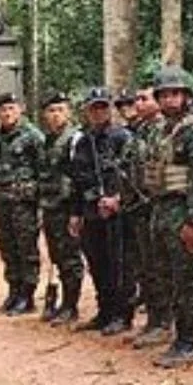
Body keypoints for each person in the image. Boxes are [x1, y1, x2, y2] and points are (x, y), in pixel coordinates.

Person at [137, 67, 193, 368]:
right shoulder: (160, 131)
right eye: (164, 95)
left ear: (186, 96)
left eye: (175, 94)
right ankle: (177, 335)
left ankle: (191, 341)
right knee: (166, 276)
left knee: (188, 280)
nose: (170, 100)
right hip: (161, 209)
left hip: (184, 212)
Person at [68, 87, 134, 336]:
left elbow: (133, 174)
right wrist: (75, 213)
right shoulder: (83, 142)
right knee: (97, 264)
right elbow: (76, 180)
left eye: (102, 107)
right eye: (93, 108)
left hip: (116, 212)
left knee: (118, 264)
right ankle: (104, 311)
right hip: (90, 210)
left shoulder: (122, 137)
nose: (98, 112)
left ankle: (121, 314)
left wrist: (117, 198)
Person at [0, 91, 45, 315]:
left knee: (26, 249)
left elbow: (43, 170)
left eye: (11, 108)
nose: (7, 113)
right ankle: (14, 291)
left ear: (20, 109)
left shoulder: (32, 136)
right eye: (3, 110)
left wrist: (41, 199)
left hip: (24, 204)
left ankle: (27, 296)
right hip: (2, 204)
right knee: (8, 249)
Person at [36, 93, 84, 325]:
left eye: (60, 110)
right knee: (56, 256)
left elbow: (77, 176)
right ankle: (60, 302)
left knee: (70, 258)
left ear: (68, 112)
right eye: (51, 111)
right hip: (50, 206)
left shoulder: (75, 139)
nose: (55, 115)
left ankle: (71, 306)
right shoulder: (47, 140)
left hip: (67, 207)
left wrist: (76, 211)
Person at [118, 85, 159, 324]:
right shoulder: (139, 132)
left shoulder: (164, 131)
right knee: (145, 268)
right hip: (137, 210)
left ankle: (164, 323)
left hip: (155, 209)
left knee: (158, 270)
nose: (138, 104)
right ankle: (155, 320)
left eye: (144, 99)